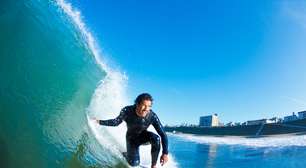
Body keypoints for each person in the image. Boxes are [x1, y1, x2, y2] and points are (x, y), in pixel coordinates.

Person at [93, 93, 169, 168]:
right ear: (137, 104)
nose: (146, 109)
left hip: (143, 137)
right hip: (131, 139)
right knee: (134, 164)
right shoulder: (127, 111)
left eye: (149, 106)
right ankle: (126, 154)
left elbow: (163, 134)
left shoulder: (152, 116)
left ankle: (153, 166)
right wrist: (99, 121)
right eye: (144, 105)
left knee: (156, 139)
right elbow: (116, 122)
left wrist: (165, 153)